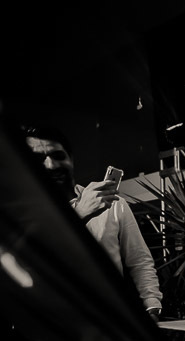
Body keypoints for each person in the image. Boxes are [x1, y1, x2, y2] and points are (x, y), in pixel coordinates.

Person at [23, 125, 163, 321]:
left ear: (71, 159)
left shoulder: (113, 204)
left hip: (114, 321)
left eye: (58, 156)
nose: (51, 165)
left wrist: (152, 307)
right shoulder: (22, 215)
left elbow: (139, 261)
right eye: (38, 159)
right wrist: (80, 214)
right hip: (57, 327)